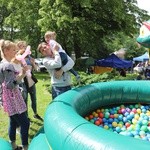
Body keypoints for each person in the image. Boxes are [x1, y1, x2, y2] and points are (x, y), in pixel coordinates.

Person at [0, 40, 30, 150]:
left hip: (8, 98)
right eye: (13, 50)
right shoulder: (7, 65)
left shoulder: (3, 63)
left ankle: (13, 145)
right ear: (6, 51)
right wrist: (22, 74)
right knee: (25, 123)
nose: (16, 52)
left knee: (13, 121)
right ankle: (25, 147)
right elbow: (10, 85)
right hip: (12, 98)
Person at [16, 41, 42, 120]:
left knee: (34, 99)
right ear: (18, 48)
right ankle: (26, 117)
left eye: (24, 46)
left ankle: (35, 113)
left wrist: (33, 64)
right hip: (22, 82)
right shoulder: (17, 57)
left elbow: (37, 69)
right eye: (21, 46)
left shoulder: (30, 57)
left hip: (31, 81)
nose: (23, 47)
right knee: (25, 100)